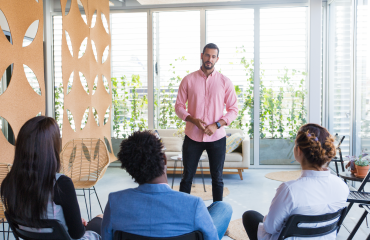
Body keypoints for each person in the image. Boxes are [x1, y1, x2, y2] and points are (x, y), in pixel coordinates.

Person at [102, 130, 232, 240]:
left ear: (129, 169)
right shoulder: (194, 204)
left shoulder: (115, 202)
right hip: (192, 213)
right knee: (223, 207)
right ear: (164, 159)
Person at [1, 116, 102, 240]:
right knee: (102, 218)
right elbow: (77, 234)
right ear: (51, 148)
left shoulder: (9, 181)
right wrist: (78, 223)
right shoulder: (61, 184)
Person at [242, 123, 349, 240]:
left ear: (298, 150)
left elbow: (270, 228)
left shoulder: (289, 189)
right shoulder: (342, 186)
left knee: (250, 216)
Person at [175, 43, 238, 202]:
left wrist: (217, 124)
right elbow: (179, 106)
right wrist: (193, 120)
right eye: (207, 55)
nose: (209, 59)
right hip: (192, 137)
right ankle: (183, 215)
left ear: (217, 59)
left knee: (217, 178)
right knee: (187, 177)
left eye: (213, 56)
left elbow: (233, 109)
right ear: (202, 55)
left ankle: (218, 215)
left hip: (217, 138)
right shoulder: (188, 80)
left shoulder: (225, 82)